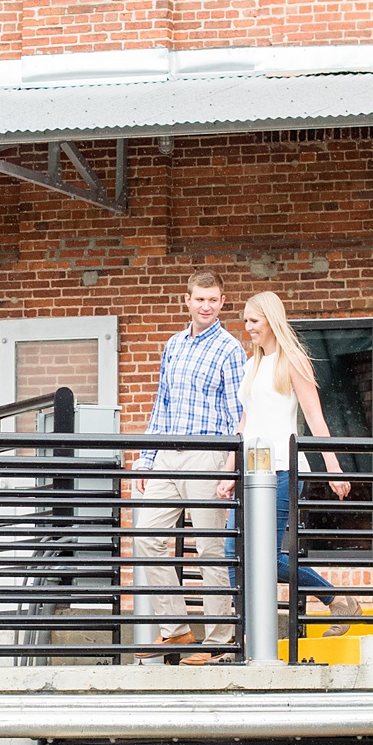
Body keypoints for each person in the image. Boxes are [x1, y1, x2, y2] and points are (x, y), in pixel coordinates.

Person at [132, 269, 246, 657]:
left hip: (207, 455)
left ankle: (219, 641)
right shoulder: (173, 344)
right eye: (200, 298)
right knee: (147, 536)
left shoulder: (231, 349)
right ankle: (176, 631)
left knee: (210, 548)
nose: (206, 306)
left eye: (213, 299)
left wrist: (232, 466)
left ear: (222, 302)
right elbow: (161, 405)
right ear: (188, 300)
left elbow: (238, 415)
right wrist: (147, 459)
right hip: (167, 452)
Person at [237, 291, 361, 627]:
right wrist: (227, 470)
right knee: (235, 554)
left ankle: (334, 599)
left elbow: (316, 418)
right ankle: (240, 633)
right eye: (246, 320)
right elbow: (246, 422)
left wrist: (333, 468)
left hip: (281, 469)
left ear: (271, 321)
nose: (248, 327)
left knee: (266, 557)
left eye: (254, 320)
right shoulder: (251, 365)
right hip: (248, 471)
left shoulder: (292, 360)